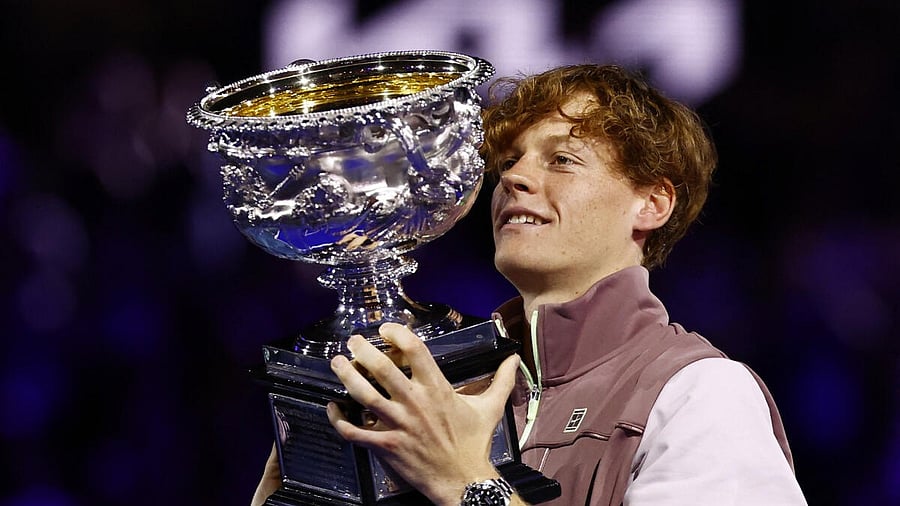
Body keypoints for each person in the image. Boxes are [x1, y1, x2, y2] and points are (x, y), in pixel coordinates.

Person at [252, 64, 807, 505]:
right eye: (510, 161)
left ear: (652, 204)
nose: (514, 177)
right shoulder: (447, 392)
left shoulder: (698, 393)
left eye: (562, 160)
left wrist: (468, 486)